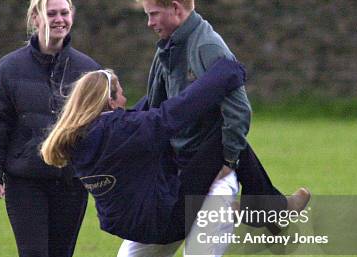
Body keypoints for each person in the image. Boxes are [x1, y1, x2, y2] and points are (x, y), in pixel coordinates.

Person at [111, 0, 311, 257]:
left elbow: (240, 109)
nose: (149, 23)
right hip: (177, 179)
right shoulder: (168, 48)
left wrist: (229, 161)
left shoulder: (206, 46)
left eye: (153, 14)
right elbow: (157, 108)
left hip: (216, 176)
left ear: (176, 9)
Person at [0, 0, 100, 257]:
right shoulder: (9, 69)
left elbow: (104, 128)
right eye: (51, 13)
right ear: (35, 19)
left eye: (64, 12)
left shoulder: (88, 71)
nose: (59, 19)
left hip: (71, 184)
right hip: (25, 182)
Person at [41, 57, 246, 245]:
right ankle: (263, 202)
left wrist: (166, 76)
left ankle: (256, 202)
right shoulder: (120, 131)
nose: (125, 98)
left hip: (128, 227)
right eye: (121, 94)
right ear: (109, 102)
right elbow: (173, 114)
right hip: (165, 222)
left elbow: (141, 112)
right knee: (218, 132)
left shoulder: (77, 138)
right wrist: (227, 71)